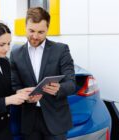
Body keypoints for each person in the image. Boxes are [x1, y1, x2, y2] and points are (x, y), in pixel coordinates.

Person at [10, 7, 76, 140]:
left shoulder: (61, 50)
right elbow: (14, 86)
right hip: (29, 121)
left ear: (48, 29)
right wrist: (23, 95)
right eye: (31, 31)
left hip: (55, 120)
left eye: (41, 32)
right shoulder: (15, 54)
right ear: (25, 26)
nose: (35, 36)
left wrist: (59, 89)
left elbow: (71, 84)